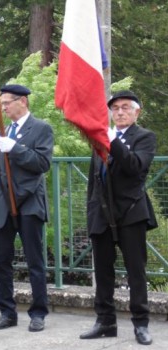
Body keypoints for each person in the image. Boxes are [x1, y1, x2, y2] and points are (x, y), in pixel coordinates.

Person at [80, 90, 157, 345]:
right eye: (115, 108)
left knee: (136, 271)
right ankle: (105, 321)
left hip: (131, 212)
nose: (120, 112)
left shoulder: (145, 137)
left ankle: (141, 324)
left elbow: (135, 167)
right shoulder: (100, 139)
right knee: (102, 271)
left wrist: (114, 141)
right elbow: (95, 179)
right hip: (101, 213)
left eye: (126, 107)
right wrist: (91, 211)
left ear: (137, 112)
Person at [0, 84, 53, 332]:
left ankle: (38, 313)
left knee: (35, 261)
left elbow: (42, 163)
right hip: (4, 205)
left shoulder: (41, 128)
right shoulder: (2, 130)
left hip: (29, 203)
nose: (3, 107)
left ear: (23, 101)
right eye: (2, 103)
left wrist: (15, 149)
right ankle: (7, 312)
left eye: (7, 102)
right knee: (0, 262)